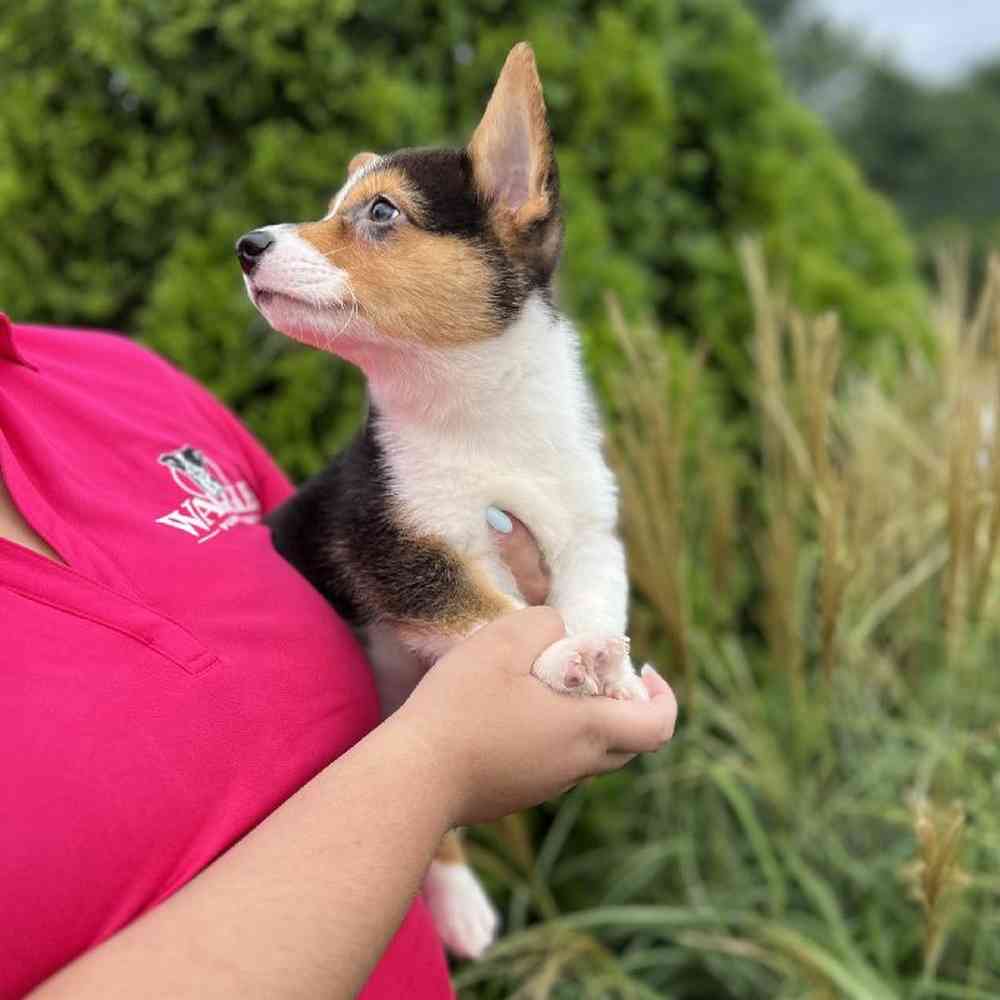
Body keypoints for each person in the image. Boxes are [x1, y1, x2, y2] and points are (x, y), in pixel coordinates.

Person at [0, 314, 678, 999]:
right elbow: (423, 749)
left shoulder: (109, 379)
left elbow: (347, 615)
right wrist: (436, 770)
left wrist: (507, 623)